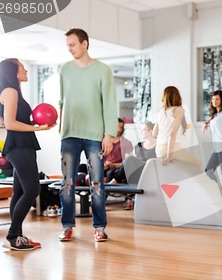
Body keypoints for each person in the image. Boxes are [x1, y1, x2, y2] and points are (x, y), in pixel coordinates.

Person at [58, 28, 118, 242]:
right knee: (67, 183)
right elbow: (62, 100)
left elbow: (110, 103)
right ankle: (67, 226)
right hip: (69, 135)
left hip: (95, 136)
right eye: (68, 45)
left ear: (85, 44)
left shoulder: (103, 70)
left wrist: (109, 134)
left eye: (73, 44)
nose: (70, 48)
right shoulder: (65, 69)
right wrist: (60, 124)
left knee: (96, 184)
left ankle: (99, 227)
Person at [0, 58, 54, 250]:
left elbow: (11, 121)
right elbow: (10, 124)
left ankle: (17, 236)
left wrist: (36, 125)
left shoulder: (11, 92)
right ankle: (13, 236)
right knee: (32, 190)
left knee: (20, 191)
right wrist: (39, 130)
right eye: (22, 68)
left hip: (22, 145)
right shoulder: (10, 92)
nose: (26, 71)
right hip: (19, 146)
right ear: (13, 72)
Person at [109, 121, 156, 210]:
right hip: (136, 172)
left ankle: (114, 181)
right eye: (142, 130)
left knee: (129, 161)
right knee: (128, 162)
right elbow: (132, 159)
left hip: (149, 172)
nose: (142, 132)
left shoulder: (157, 146)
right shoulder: (138, 146)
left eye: (144, 130)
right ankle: (127, 198)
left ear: (151, 131)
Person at [153, 86, 200, 168]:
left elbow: (154, 134)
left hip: (159, 150)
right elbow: (172, 134)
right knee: (198, 165)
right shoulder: (178, 110)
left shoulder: (161, 112)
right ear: (177, 96)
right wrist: (169, 156)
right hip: (171, 149)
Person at [104, 118, 132, 183]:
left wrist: (113, 165)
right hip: (103, 168)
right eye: (117, 127)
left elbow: (127, 163)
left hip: (116, 169)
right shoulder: (104, 142)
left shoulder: (126, 143)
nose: (119, 130)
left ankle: (109, 191)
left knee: (110, 173)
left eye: (121, 128)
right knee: (83, 167)